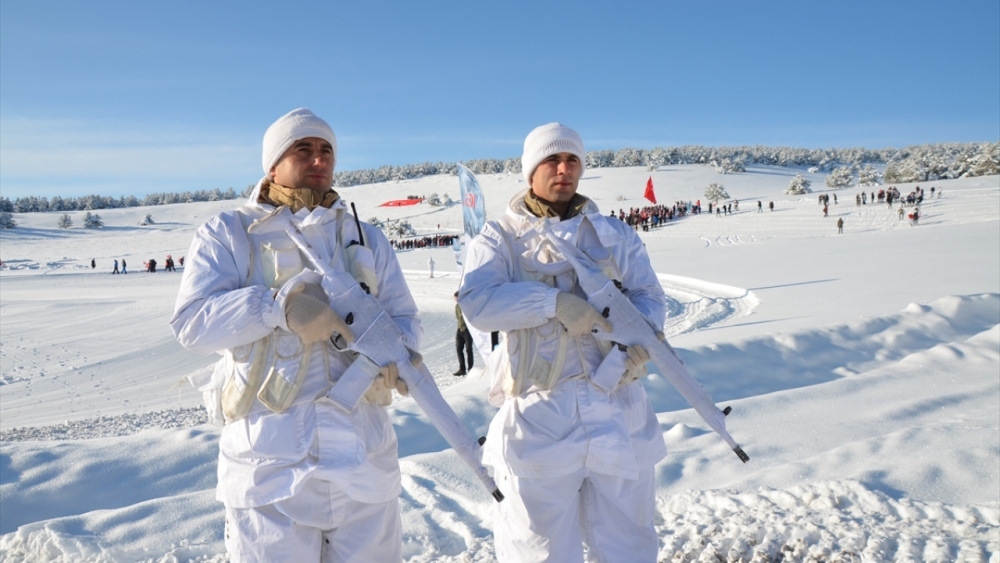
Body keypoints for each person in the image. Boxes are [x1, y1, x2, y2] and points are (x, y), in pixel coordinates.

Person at [170, 108, 418, 562]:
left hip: (365, 464)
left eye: (326, 150)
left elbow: (404, 316)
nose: (318, 159)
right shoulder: (229, 232)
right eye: (302, 148)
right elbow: (192, 321)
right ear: (272, 164)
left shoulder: (366, 238)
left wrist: (405, 355)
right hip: (270, 470)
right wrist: (277, 308)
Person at [459, 123, 668, 562]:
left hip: (619, 407)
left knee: (630, 544)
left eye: (572, 160)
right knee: (540, 550)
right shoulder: (501, 237)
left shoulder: (614, 233)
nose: (563, 169)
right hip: (540, 417)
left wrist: (631, 332)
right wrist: (553, 303)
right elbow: (478, 303)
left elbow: (649, 296)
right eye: (551, 160)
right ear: (530, 171)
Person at [452, 291, 475, 376]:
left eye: (456, 298)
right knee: (459, 349)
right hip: (459, 329)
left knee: (469, 349)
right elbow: (457, 317)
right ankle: (462, 369)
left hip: (467, 330)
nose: (456, 300)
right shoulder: (457, 306)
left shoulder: (467, 306)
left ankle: (471, 369)